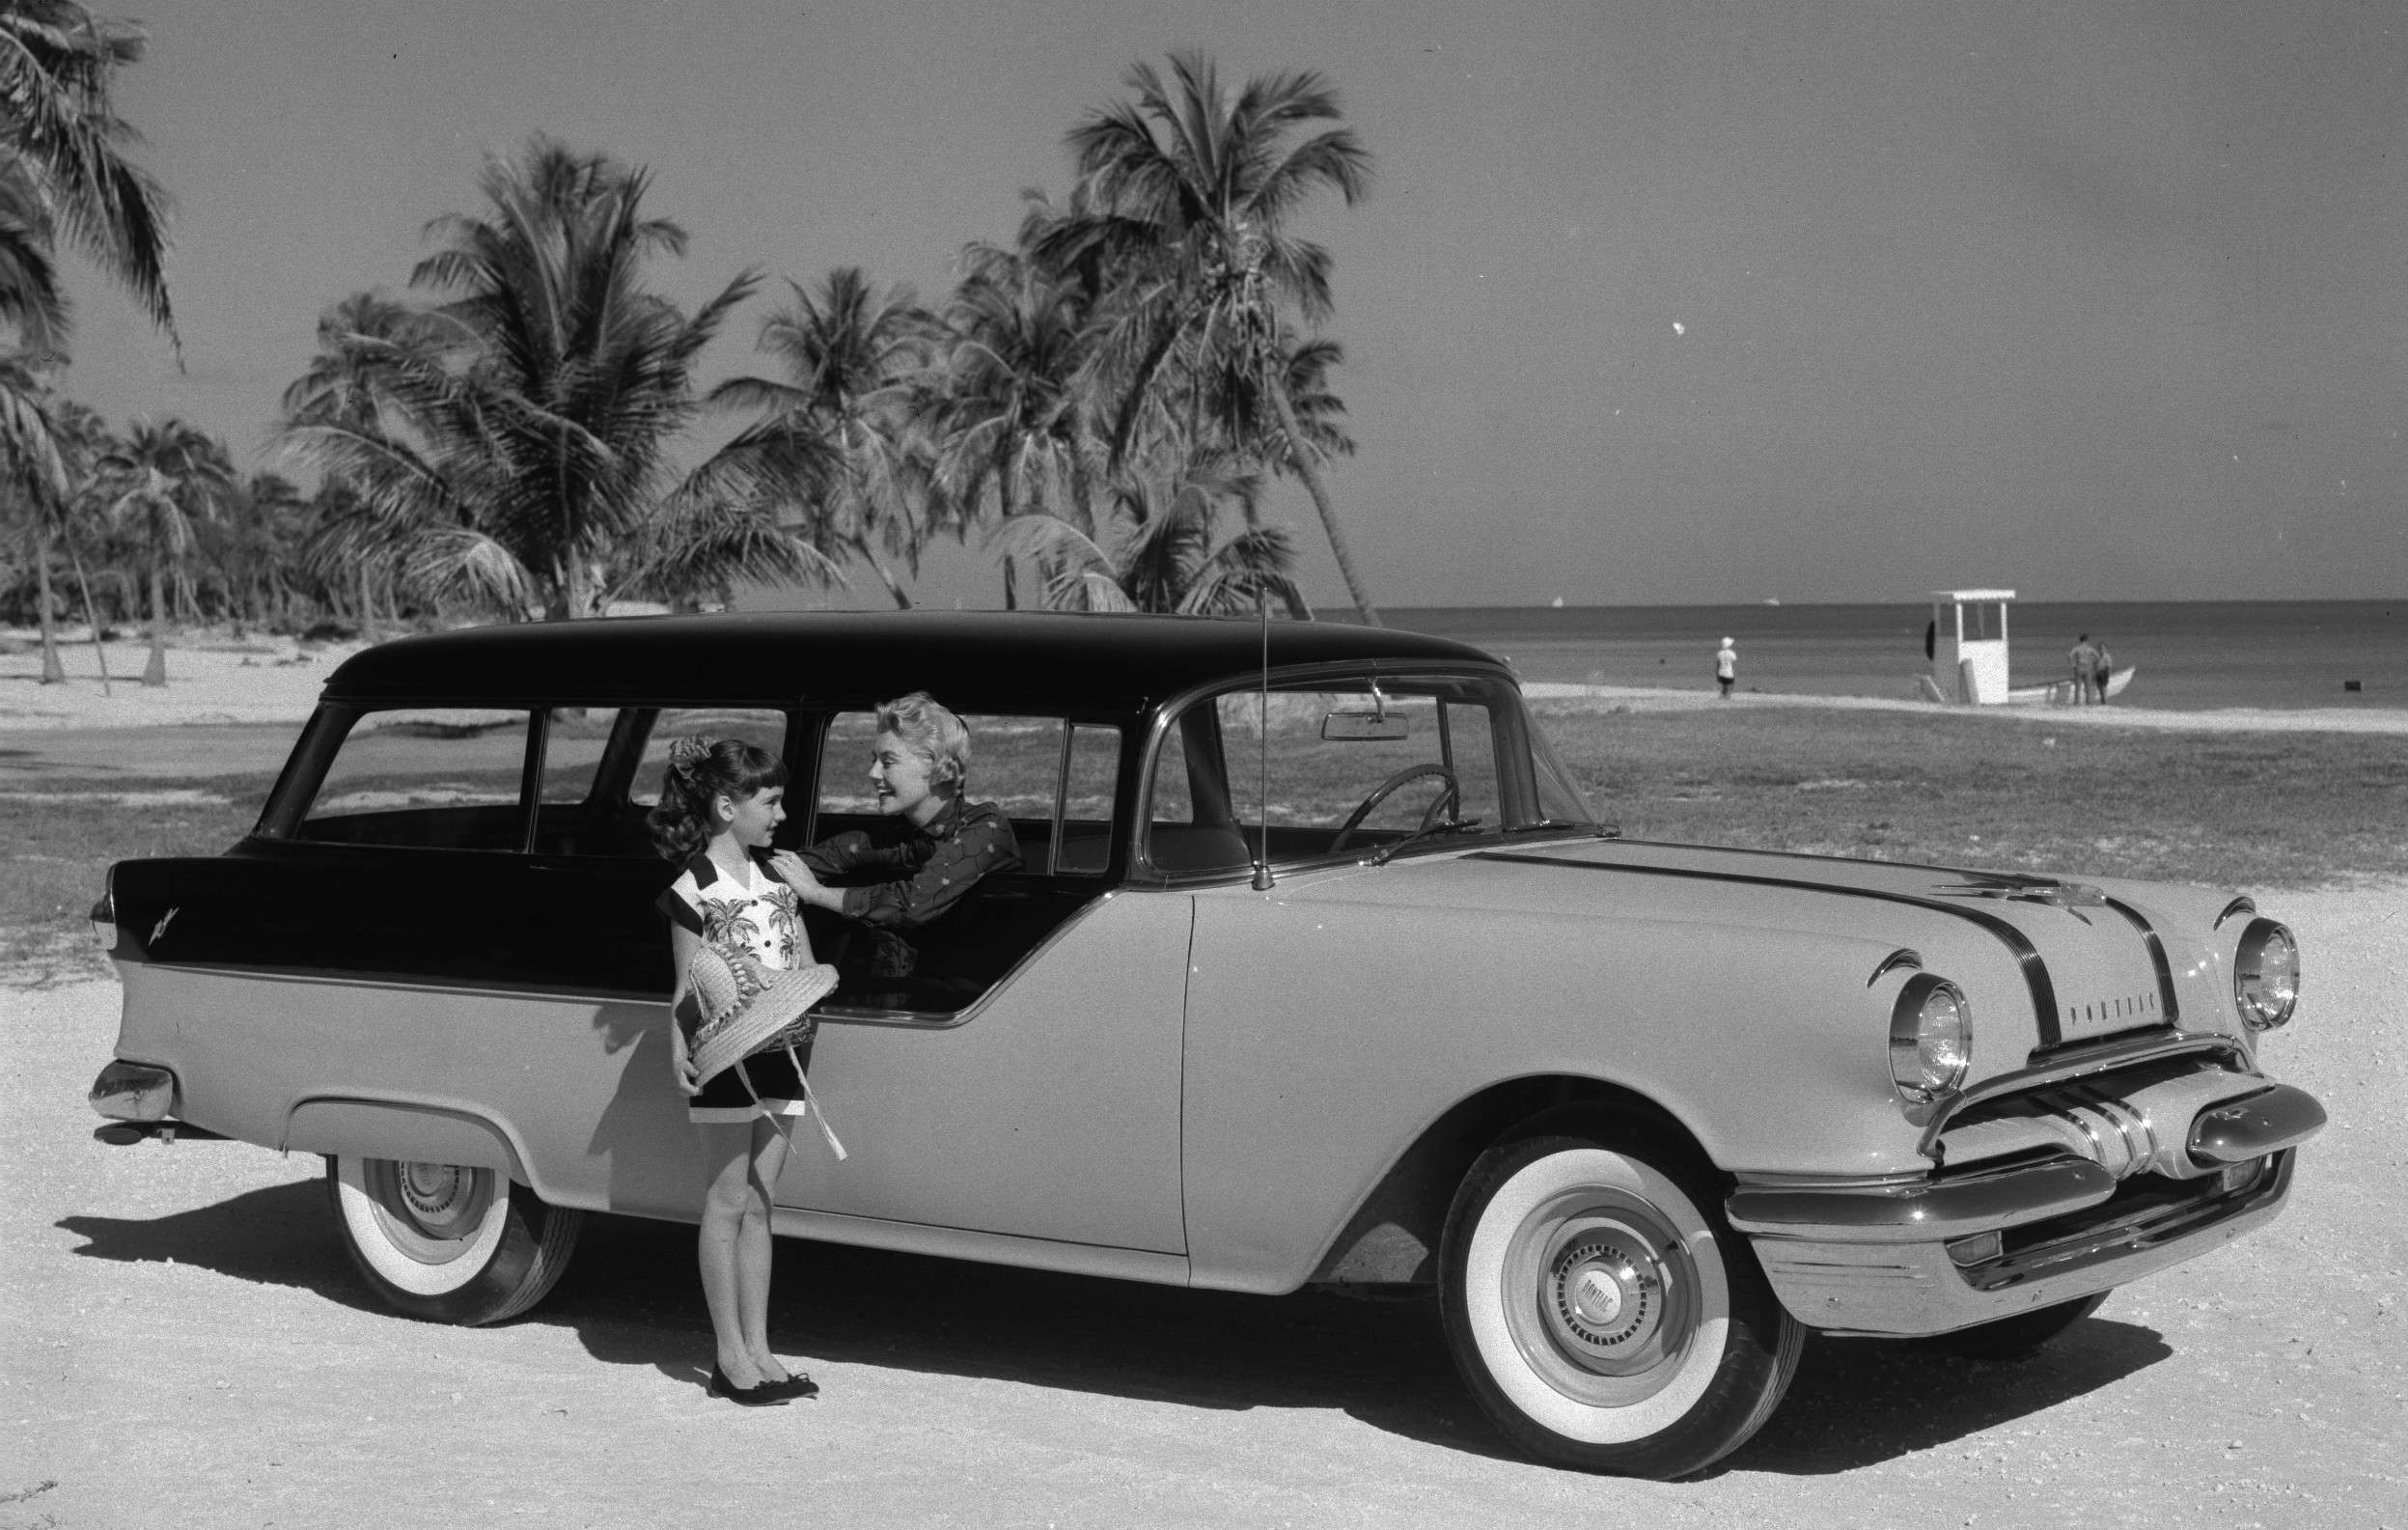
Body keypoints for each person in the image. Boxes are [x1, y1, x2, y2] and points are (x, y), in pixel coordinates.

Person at [650, 736, 824, 1407]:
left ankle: (761, 1347)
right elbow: (686, 985)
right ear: (727, 806)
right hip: (725, 1054)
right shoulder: (692, 888)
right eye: (770, 800)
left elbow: (804, 963)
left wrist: (807, 1007)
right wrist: (676, 1044)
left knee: (761, 1200)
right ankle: (727, 1355)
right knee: (725, 1200)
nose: (781, 812)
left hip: (785, 1049)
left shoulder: (780, 879)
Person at [775, 692, 1021, 974]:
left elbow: (913, 904)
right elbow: (827, 856)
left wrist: (816, 893)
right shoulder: (900, 832)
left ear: (938, 767)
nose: (873, 773)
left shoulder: (985, 827)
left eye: (888, 761)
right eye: (874, 760)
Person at [2069, 634, 2101, 705]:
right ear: (2087, 640)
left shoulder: (2077, 648)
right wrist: (2094, 664)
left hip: (2079, 668)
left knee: (2077, 688)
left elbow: (2070, 656)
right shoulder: (2090, 649)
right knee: (2087, 688)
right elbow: (2098, 657)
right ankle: (2088, 703)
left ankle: (2076, 703)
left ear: (2080, 640)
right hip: (2087, 668)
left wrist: (2073, 665)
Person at [2090, 640, 2114, 706]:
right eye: (2100, 648)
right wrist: (2093, 675)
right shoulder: (2096, 657)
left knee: (2103, 690)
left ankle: (2105, 704)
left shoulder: (2107, 657)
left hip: (2104, 674)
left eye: (2102, 648)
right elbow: (2094, 666)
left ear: (2105, 649)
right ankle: (2103, 704)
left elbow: (2108, 667)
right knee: (2100, 691)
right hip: (2098, 675)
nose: (2101, 649)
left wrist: (2108, 676)